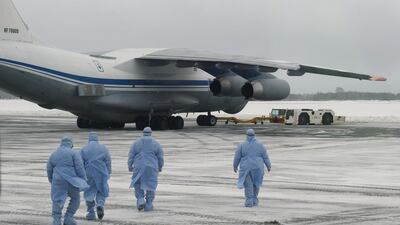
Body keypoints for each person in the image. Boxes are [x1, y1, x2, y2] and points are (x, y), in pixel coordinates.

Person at [47, 136, 89, 225]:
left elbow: (49, 169)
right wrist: (83, 179)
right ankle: (68, 217)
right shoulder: (73, 153)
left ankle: (56, 220)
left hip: (58, 180)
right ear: (70, 144)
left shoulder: (54, 154)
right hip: (71, 181)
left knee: (57, 200)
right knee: (75, 198)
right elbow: (79, 167)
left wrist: (52, 180)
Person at [128, 127, 164, 212]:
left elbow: (131, 155)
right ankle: (149, 204)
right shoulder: (156, 143)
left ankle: (140, 199)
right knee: (151, 185)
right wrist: (160, 166)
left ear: (143, 133)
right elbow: (160, 157)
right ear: (150, 133)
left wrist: (130, 165)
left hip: (138, 165)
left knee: (137, 183)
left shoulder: (136, 143)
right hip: (152, 167)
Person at [233, 129, 271, 207]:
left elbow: (237, 157)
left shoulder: (242, 145)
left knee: (248, 184)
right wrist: (268, 165)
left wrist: (235, 166)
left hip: (246, 167)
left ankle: (249, 201)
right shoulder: (260, 145)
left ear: (246, 135)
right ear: (254, 135)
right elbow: (265, 157)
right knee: (256, 183)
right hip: (258, 167)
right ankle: (254, 200)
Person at [80, 132, 112, 220]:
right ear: (97, 138)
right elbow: (108, 161)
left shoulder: (84, 149)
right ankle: (100, 205)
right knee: (101, 190)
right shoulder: (103, 148)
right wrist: (108, 172)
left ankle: (90, 212)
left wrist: (81, 175)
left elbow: (80, 163)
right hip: (101, 171)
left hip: (88, 172)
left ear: (89, 139)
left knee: (89, 191)